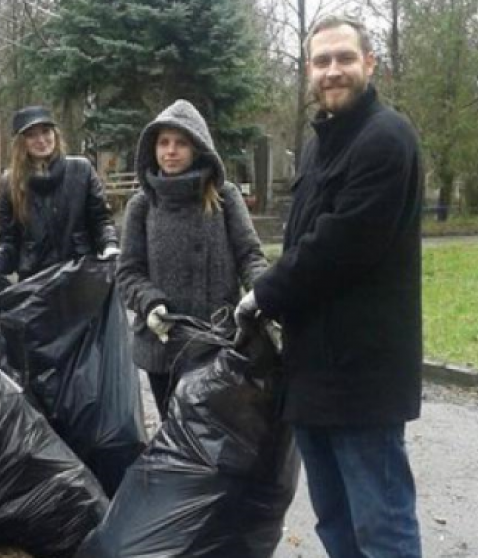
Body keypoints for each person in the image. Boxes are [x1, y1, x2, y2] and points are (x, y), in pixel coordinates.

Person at [235, 15, 424, 557]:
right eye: (321, 62)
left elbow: (337, 247)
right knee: (335, 524)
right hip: (313, 373)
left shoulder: (386, 139)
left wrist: (262, 294)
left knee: (382, 529)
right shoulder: (321, 145)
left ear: (370, 64)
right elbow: (303, 240)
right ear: (309, 73)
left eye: (344, 58)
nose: (332, 71)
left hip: (364, 377)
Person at [116, 99, 267, 417]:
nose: (170, 151)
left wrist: (262, 293)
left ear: (198, 148)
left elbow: (249, 255)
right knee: (177, 441)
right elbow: (128, 272)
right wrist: (149, 302)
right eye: (164, 143)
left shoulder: (225, 197)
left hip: (217, 343)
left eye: (181, 143)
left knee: (216, 439)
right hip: (163, 345)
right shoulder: (142, 205)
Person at [0, 106, 120, 282]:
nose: (41, 140)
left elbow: (101, 219)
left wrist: (109, 245)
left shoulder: (81, 170)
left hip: (81, 277)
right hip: (35, 283)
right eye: (31, 135)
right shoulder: (10, 182)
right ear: (21, 142)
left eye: (46, 131)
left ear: (55, 134)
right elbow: (8, 241)